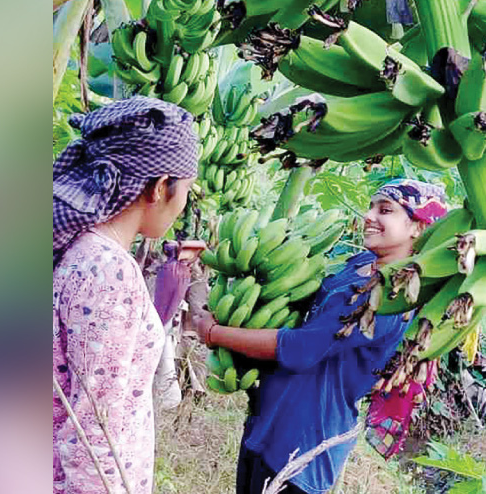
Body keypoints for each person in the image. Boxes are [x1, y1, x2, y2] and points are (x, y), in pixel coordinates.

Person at [190, 179, 450, 494]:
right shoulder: (363, 265)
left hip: (304, 441)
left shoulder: (391, 298)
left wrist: (215, 333)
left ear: (418, 228)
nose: (369, 216)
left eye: (385, 210)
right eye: (371, 206)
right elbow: (307, 308)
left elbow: (301, 347)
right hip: (271, 418)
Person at [52, 96, 203, 494]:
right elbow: (94, 428)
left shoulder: (82, 249)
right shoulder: (106, 272)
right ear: (158, 188)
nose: (186, 200)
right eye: (186, 187)